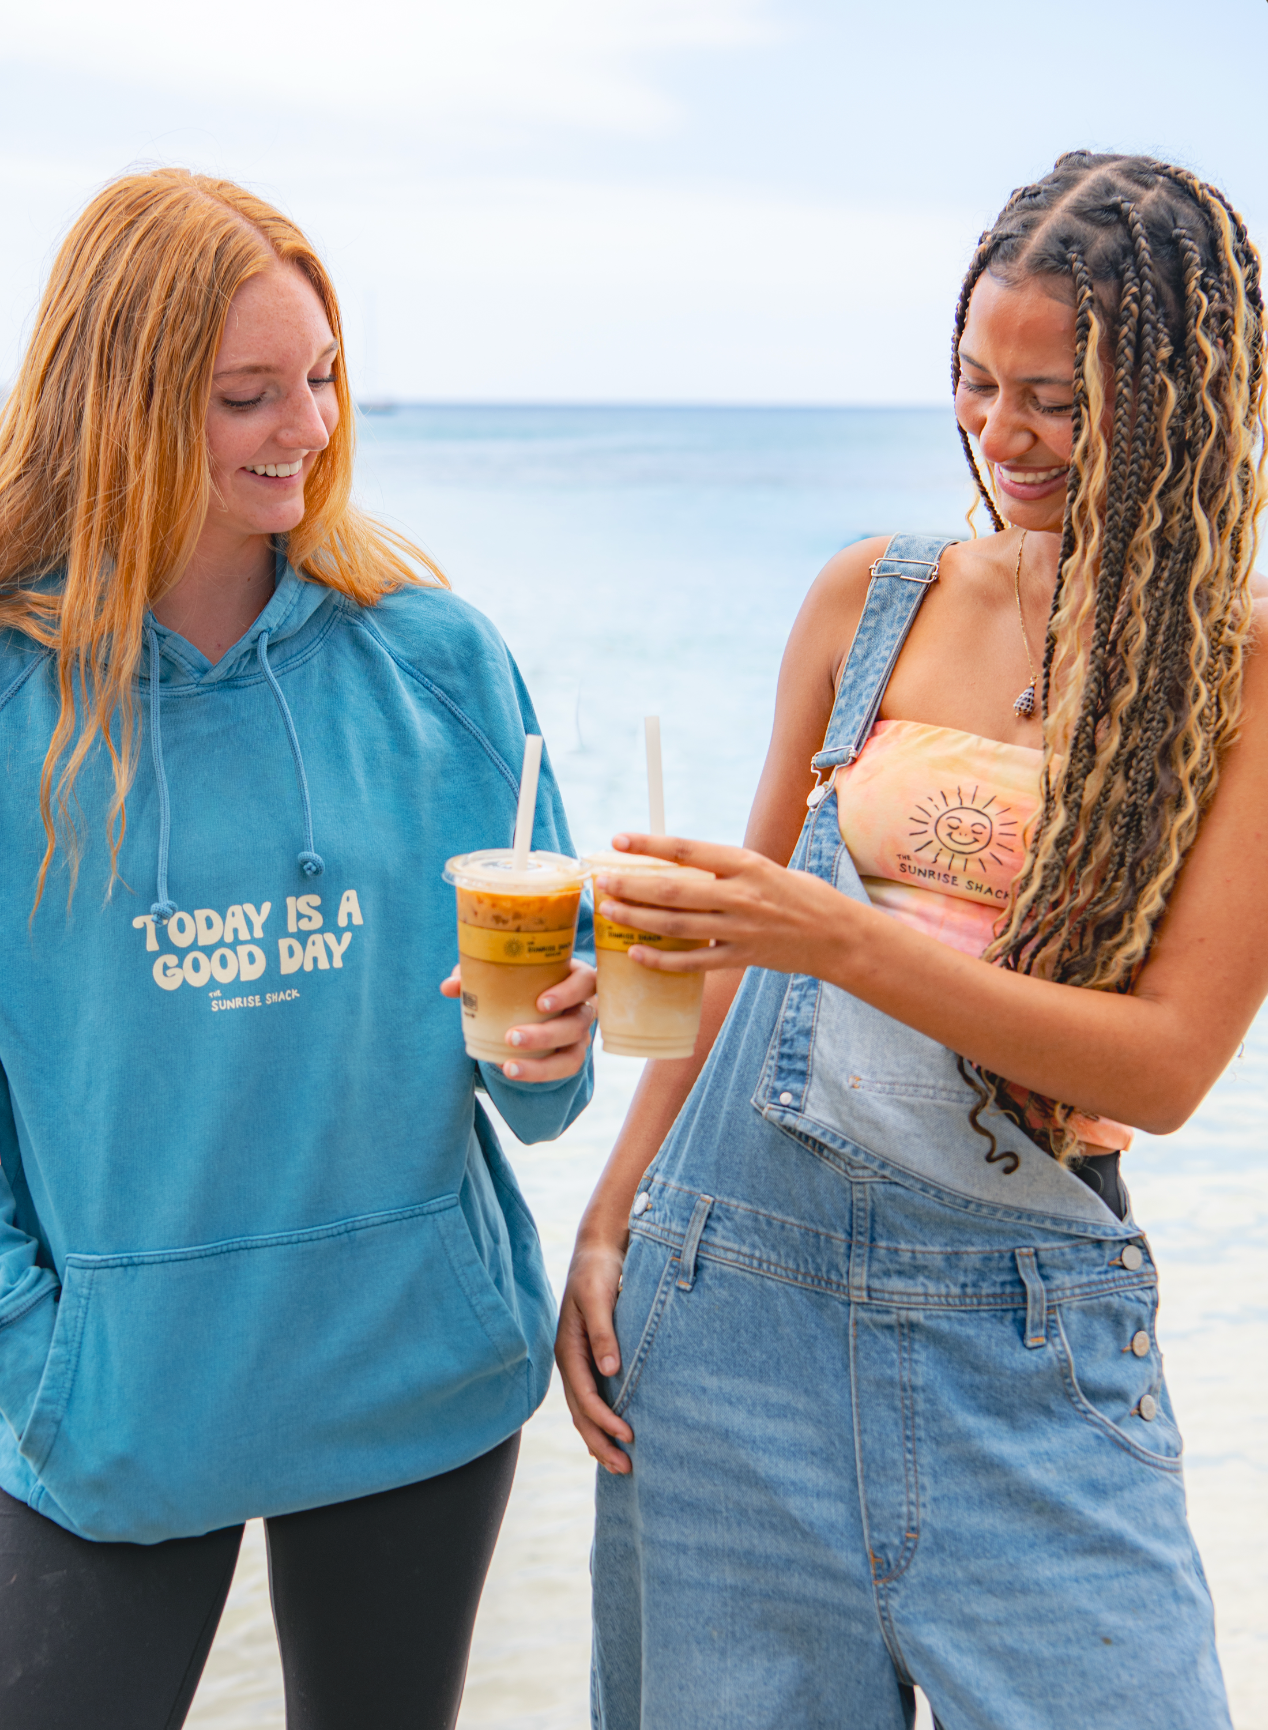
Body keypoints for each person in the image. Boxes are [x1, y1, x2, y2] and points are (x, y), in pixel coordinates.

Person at [0, 168, 597, 1730]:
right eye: (249, 394)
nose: (307, 428)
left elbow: (536, 1086)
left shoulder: (440, 662)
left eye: (324, 377)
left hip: (413, 1386)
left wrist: (553, 1044)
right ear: (117, 401)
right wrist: (29, 1350)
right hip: (118, 1411)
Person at [557, 152, 1265, 1727]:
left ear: (1175, 405)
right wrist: (609, 1220)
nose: (1001, 438)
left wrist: (838, 937)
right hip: (726, 1312)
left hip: (1027, 1343)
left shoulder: (1242, 671)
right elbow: (730, 956)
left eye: (1057, 401)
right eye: (974, 383)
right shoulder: (865, 601)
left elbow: (1164, 1068)